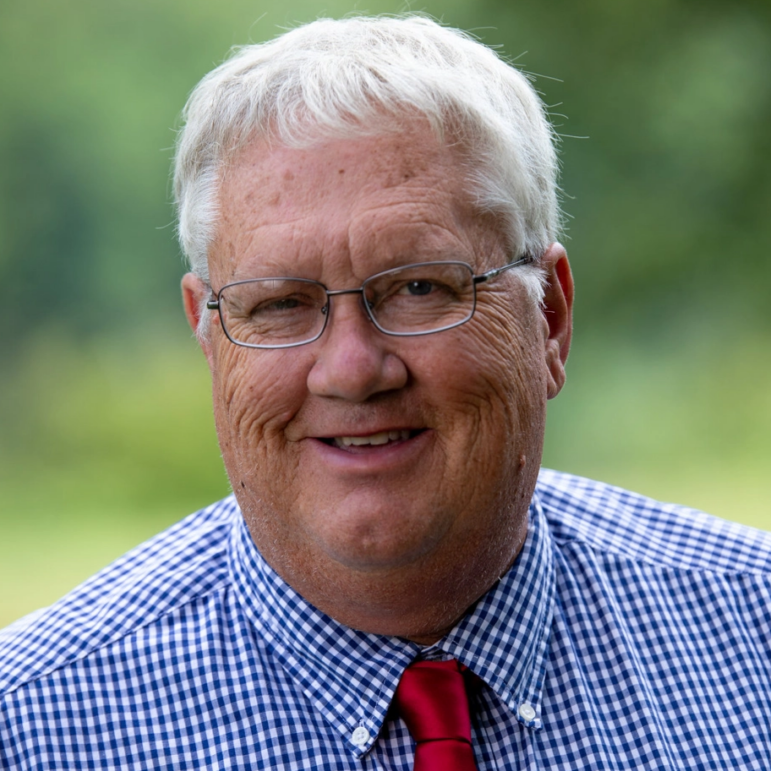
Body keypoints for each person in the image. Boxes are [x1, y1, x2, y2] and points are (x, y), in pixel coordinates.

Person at [1, 15, 770, 771]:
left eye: (418, 287)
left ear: (550, 320)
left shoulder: (752, 631)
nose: (352, 369)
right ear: (209, 336)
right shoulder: (31, 726)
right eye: (278, 303)